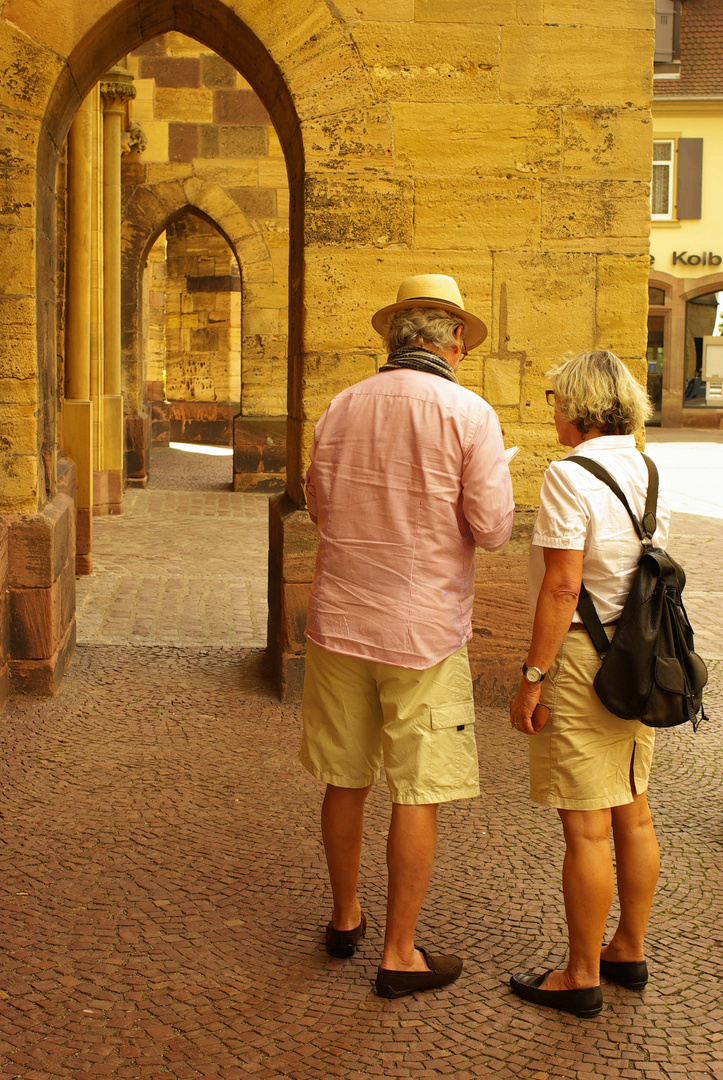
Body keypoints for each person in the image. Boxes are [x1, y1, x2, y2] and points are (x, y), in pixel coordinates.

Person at [299, 274, 514, 998]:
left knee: (344, 776)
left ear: (393, 338)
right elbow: (491, 530)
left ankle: (343, 916)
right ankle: (398, 952)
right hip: (423, 627)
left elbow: (320, 507)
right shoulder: (469, 413)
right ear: (451, 341)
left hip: (341, 619)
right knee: (416, 789)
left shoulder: (341, 406)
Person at [508, 349, 668, 1019]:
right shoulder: (646, 467)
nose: (550, 411)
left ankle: (579, 973)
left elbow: (561, 585)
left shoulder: (568, 475)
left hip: (581, 660)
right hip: (638, 658)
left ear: (578, 407)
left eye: (554, 400)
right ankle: (626, 946)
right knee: (631, 811)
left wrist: (531, 677)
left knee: (588, 832)